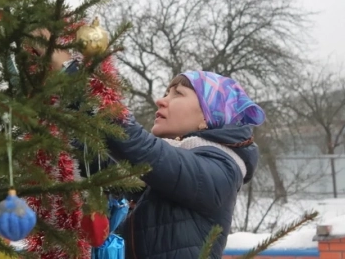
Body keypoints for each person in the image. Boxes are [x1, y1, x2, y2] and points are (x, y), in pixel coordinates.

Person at [35, 29, 266, 259]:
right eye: (166, 92)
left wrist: (72, 75)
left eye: (178, 94)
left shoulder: (221, 170)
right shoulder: (167, 171)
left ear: (207, 117)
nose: (161, 100)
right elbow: (99, 161)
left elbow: (142, 149)